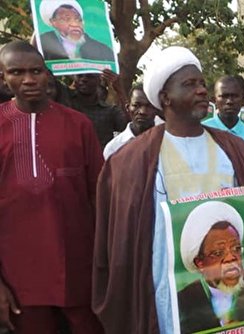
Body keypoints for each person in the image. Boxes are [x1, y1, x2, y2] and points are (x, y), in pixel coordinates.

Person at [92, 46, 244, 334]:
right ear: (165, 98)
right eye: (190, 84)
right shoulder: (132, 160)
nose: (202, 90)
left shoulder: (234, 150)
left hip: (233, 288)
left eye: (202, 83)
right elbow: (119, 241)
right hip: (164, 289)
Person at [0, 40, 104, 334]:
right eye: (17, 72)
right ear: (3, 78)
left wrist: (106, 266)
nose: (29, 80)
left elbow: (99, 197)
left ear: (48, 75)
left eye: (36, 71)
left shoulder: (79, 125)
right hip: (20, 280)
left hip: (79, 274)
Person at [177, 201, 244, 333]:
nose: (231, 258)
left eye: (236, 248)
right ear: (200, 263)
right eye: (218, 253)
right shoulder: (182, 304)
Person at [38, 0, 115, 61]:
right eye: (66, 19)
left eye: (78, 20)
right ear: (53, 22)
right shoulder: (43, 42)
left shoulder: (103, 50)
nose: (75, 24)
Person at [70, 72, 127, 148]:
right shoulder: (65, 102)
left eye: (90, 76)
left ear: (99, 80)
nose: (84, 79)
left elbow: (128, 124)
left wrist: (120, 90)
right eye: (79, 75)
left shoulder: (110, 111)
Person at [103, 83, 158, 159]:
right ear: (128, 108)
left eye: (149, 106)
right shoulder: (114, 148)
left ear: (156, 109)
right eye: (136, 105)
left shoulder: (167, 140)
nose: (142, 111)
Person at [202, 75, 244, 148]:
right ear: (214, 100)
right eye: (224, 96)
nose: (229, 101)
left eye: (235, 96)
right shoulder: (202, 131)